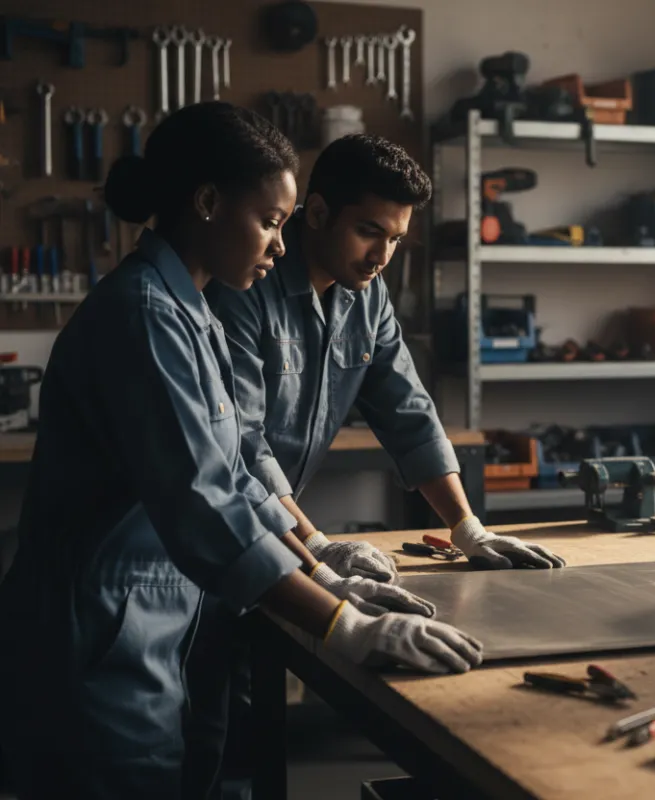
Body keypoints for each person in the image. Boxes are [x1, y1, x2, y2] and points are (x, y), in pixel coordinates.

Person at [0, 103, 482, 799]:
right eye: (271, 220)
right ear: (206, 204)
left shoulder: (190, 310)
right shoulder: (144, 317)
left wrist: (321, 571)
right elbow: (205, 505)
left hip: (162, 621)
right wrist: (342, 626)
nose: (280, 245)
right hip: (102, 634)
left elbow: (240, 474)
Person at [191, 133, 562, 795]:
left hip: (277, 537)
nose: (382, 255)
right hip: (211, 549)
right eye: (369, 231)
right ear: (316, 212)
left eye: (395, 239)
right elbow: (244, 452)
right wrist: (320, 548)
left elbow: (407, 411)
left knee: (246, 727)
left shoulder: (367, 296)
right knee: (204, 743)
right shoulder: (245, 289)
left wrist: (466, 525)